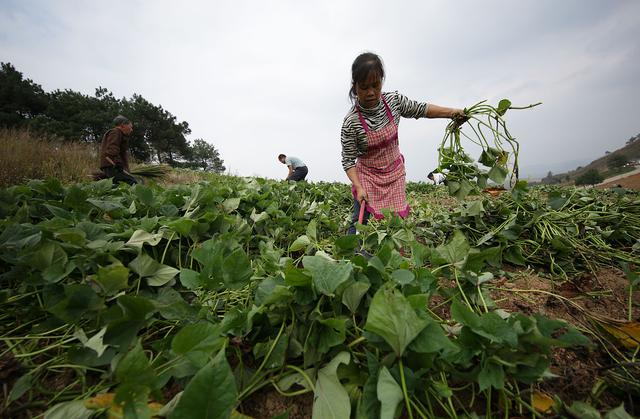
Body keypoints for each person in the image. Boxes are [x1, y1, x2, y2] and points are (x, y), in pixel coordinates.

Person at [341, 52, 466, 234]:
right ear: (355, 86)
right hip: (367, 176)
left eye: (376, 86)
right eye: (364, 87)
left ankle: (393, 259)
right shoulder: (351, 122)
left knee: (396, 225)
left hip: (394, 172)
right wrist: (359, 187)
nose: (371, 93)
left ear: (382, 81)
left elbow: (421, 109)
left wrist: (453, 112)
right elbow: (348, 160)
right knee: (360, 220)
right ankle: (352, 257)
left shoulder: (393, 102)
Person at [99, 115, 137, 185]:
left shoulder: (120, 134)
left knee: (116, 185)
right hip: (112, 164)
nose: (131, 130)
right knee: (132, 182)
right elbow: (112, 148)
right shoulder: (116, 132)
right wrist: (118, 162)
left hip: (112, 165)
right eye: (130, 127)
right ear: (122, 125)